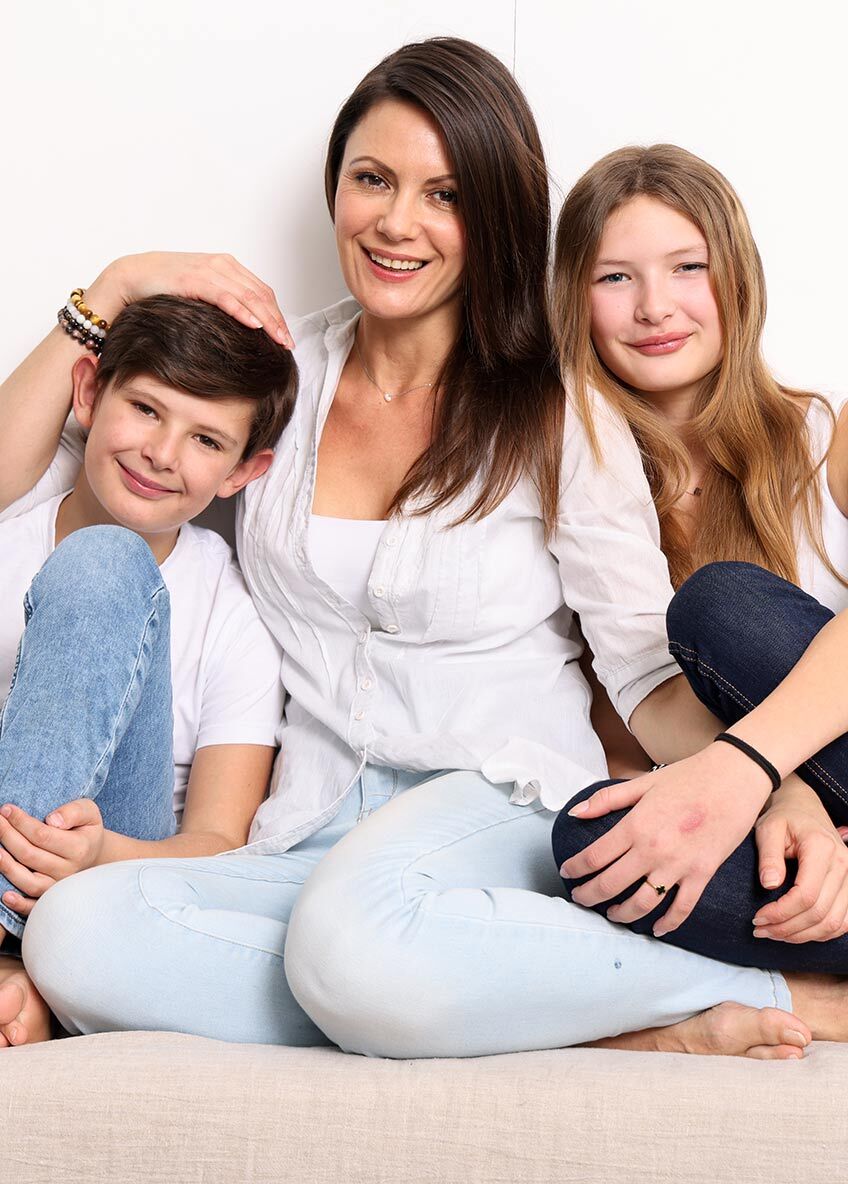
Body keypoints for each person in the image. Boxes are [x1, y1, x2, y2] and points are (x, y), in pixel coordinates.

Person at [1, 39, 840, 1059]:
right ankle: (486, 996)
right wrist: (117, 281)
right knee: (76, 934)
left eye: (444, 195)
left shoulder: (556, 404)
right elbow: (32, 469)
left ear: (494, 218)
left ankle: (748, 992)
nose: (397, 222)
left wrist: (769, 781)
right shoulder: (280, 378)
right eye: (372, 179)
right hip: (307, 830)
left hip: (497, 806)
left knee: (352, 940)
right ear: (336, 189)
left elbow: (642, 671)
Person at [550, 144, 848, 978]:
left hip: (779, 785)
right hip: (775, 825)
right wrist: (781, 805)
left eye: (688, 267)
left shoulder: (831, 436)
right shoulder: (582, 484)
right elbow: (636, 725)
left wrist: (765, 773)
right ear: (574, 301)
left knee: (723, 608)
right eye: (615, 278)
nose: (655, 308)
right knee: (590, 839)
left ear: (738, 278)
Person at [0, 295, 294, 1045]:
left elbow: (218, 842)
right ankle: (16, 970)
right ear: (88, 393)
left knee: (104, 562)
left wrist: (100, 853)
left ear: (243, 471)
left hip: (112, 865)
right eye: (146, 409)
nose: (163, 454)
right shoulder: (9, 538)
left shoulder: (236, 619)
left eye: (206, 439)